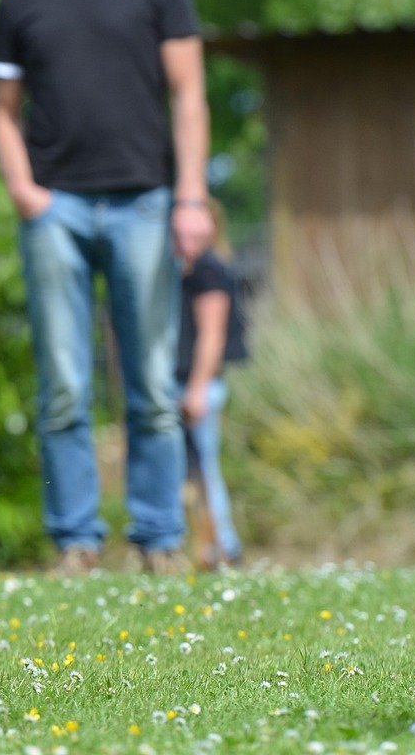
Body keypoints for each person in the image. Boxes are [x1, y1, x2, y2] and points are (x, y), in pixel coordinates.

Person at [0, 0, 214, 575]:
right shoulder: (20, 0)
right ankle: (76, 543)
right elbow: (3, 112)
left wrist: (191, 196)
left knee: (151, 383)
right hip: (54, 210)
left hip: (144, 203)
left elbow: (190, 95)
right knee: (63, 385)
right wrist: (25, 192)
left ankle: (159, 538)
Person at [174, 198, 246, 569]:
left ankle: (222, 549)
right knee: (192, 474)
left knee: (204, 473)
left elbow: (212, 336)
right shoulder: (188, 270)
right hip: (186, 384)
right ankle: (207, 549)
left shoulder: (208, 271)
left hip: (196, 387)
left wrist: (197, 390)